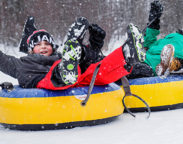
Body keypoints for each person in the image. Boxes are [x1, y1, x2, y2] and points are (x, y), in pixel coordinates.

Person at [0, 17, 146, 90]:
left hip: (72, 75)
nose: (43, 47)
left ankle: (127, 54)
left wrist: (93, 47)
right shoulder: (21, 63)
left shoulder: (57, 57)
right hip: (42, 81)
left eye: (47, 44)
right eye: (38, 45)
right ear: (31, 49)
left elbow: (93, 61)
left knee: (94, 72)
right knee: (55, 74)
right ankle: (65, 70)